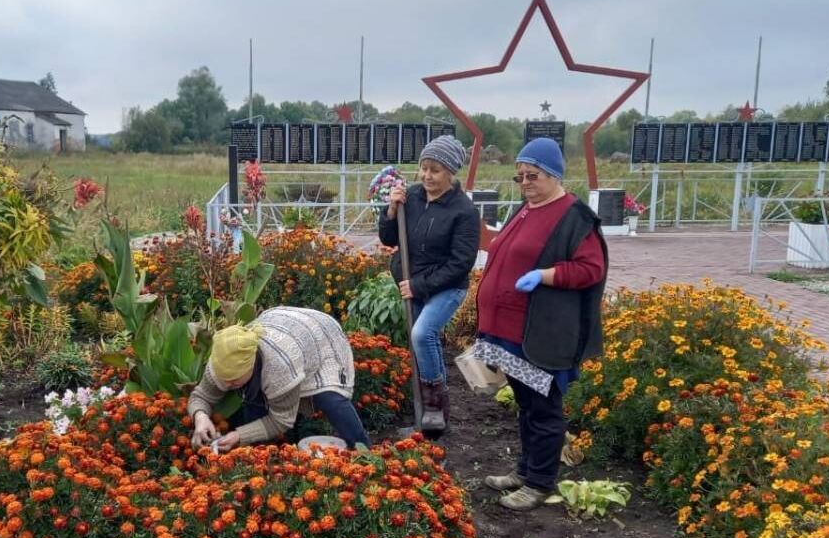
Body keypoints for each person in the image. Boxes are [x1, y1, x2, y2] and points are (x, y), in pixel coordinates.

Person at [476, 138, 608, 510]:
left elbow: (590, 268)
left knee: (544, 408)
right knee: (526, 404)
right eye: (519, 177)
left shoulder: (574, 216)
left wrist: (546, 275)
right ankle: (525, 469)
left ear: (553, 174)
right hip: (511, 332)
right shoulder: (527, 208)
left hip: (540, 335)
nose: (525, 183)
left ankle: (540, 482)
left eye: (532, 176)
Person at [378, 135, 480, 431]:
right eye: (424, 168)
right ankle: (423, 414)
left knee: (423, 334)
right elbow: (389, 238)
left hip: (446, 287)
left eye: (435, 170)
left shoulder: (463, 212)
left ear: (451, 172)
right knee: (417, 341)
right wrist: (391, 211)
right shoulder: (411, 197)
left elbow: (461, 262)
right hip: (413, 281)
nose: (426, 176)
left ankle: (436, 407)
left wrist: (419, 286)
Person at [188, 307, 370, 450]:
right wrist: (200, 417)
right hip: (278, 322)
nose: (227, 385)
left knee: (330, 399)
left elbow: (281, 420)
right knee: (254, 403)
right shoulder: (222, 359)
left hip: (318, 333)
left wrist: (239, 435)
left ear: (251, 365)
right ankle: (263, 463)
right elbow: (201, 396)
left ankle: (364, 452)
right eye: (224, 378)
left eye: (234, 379)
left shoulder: (280, 367)